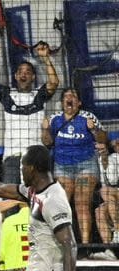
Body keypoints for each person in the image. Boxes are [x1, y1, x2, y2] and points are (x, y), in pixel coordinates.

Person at [0, 42, 59, 183]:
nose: (23, 74)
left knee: (39, 198)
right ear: (15, 76)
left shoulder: (39, 95)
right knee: (12, 199)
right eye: (20, 72)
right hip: (12, 157)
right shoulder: (7, 94)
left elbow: (54, 82)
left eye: (27, 72)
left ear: (33, 77)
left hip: (35, 157)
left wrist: (45, 58)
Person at [41, 88, 108, 249]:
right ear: (62, 102)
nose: (69, 99)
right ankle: (64, 245)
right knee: (62, 205)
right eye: (66, 97)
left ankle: (84, 246)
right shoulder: (54, 119)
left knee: (82, 203)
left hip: (86, 164)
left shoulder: (88, 117)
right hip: (63, 166)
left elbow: (103, 138)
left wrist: (93, 129)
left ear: (79, 103)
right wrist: (45, 129)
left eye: (73, 96)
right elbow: (47, 142)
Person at [92, 136, 119, 260]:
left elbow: (112, 181)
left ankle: (118, 231)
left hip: (113, 193)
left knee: (105, 190)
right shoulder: (107, 159)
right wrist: (104, 161)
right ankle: (110, 250)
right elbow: (107, 182)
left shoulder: (115, 158)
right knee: (99, 211)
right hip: (112, 197)